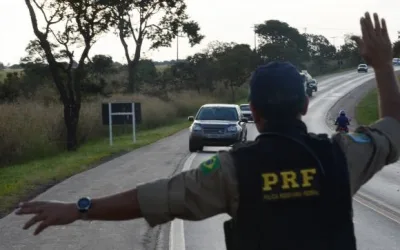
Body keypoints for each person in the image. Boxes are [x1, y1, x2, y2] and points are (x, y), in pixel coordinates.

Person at [15, 12, 400, 249]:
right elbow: (393, 128)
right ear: (303, 106)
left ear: (253, 111)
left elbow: (155, 198)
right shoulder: (342, 154)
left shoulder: (231, 171)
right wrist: (383, 66)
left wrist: (80, 209)